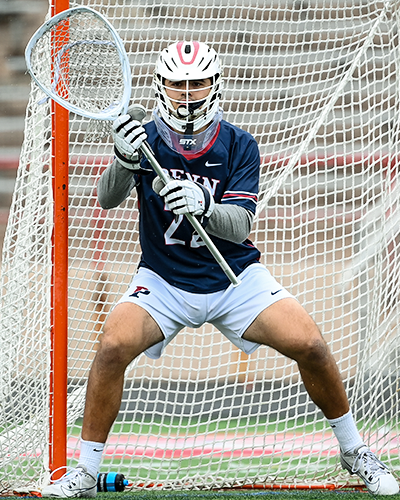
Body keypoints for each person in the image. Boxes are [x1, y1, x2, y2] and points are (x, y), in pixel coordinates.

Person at [41, 41, 399, 497]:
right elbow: (107, 198)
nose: (187, 94)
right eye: (178, 84)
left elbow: (240, 224)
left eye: (196, 83)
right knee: (112, 346)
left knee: (309, 343)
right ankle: (87, 473)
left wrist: (205, 204)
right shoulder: (142, 136)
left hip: (234, 277)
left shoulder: (239, 144)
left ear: (214, 85)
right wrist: (122, 158)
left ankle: (354, 450)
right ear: (161, 86)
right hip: (164, 278)